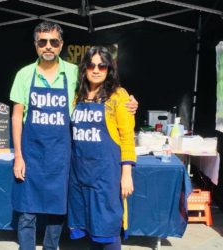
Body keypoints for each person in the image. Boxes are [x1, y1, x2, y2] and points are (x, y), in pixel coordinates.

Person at [10, 21, 137, 250]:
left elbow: (111, 104)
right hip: (33, 155)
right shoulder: (24, 75)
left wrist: (129, 102)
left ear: (61, 45)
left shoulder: (73, 73)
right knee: (27, 213)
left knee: (59, 212)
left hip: (63, 159)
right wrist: (18, 155)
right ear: (36, 44)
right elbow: (17, 117)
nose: (48, 46)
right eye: (42, 41)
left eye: (54, 41)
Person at [68, 46, 136, 250]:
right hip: (79, 173)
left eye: (102, 65)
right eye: (91, 65)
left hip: (107, 176)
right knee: (89, 225)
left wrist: (126, 174)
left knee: (107, 226)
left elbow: (127, 138)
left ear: (109, 69)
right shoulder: (75, 96)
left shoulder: (119, 96)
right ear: (84, 68)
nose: (96, 70)